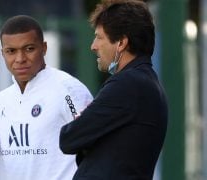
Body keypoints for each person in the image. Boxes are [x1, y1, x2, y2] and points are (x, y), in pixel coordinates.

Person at [0, 15, 93, 180]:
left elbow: (94, 146)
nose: (20, 59)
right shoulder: (0, 103)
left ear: (44, 48)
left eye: (29, 49)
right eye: (11, 51)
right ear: (2, 53)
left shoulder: (69, 89)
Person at [59, 0, 168, 179]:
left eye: (99, 37)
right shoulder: (146, 83)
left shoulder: (127, 84)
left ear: (121, 43)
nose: (93, 46)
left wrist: (85, 129)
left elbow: (69, 139)